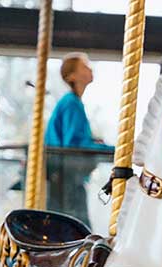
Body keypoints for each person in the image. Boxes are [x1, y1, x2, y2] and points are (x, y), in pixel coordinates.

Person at [43, 52, 113, 225]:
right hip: (66, 177)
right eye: (84, 66)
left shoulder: (73, 102)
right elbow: (74, 144)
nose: (90, 69)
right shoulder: (71, 103)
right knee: (77, 227)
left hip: (66, 176)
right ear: (72, 76)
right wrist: (112, 151)